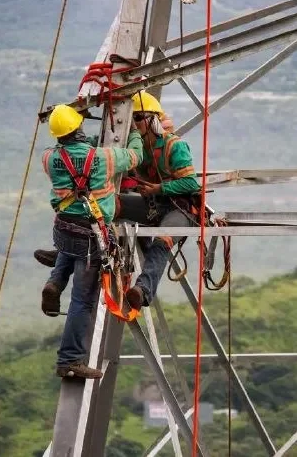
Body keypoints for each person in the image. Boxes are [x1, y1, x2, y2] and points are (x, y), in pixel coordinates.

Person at [35, 91, 201, 312]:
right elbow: (95, 150)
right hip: (151, 204)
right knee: (104, 206)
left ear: (153, 119)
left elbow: (191, 184)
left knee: (162, 241)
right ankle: (65, 254)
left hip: (179, 207)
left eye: (140, 118)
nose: (135, 123)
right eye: (133, 118)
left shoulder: (174, 146)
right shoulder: (134, 144)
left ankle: (142, 290)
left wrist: (160, 188)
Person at [39, 103, 143, 379]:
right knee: (82, 301)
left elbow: (72, 156)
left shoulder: (49, 158)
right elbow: (134, 157)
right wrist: (133, 132)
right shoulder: (105, 158)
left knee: (66, 249)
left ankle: (55, 281)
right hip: (91, 237)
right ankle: (70, 361)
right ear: (78, 128)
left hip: (64, 229)